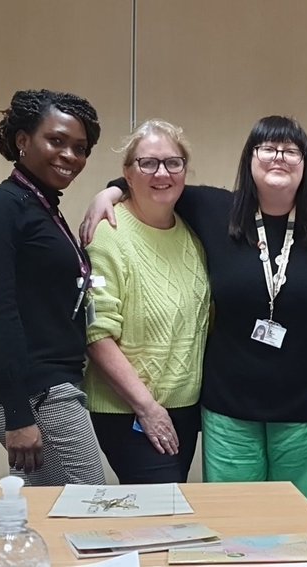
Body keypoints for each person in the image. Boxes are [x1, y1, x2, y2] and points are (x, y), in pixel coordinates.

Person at [82, 116, 307, 516]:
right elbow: (156, 183)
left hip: (305, 412)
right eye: (268, 148)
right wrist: (111, 191)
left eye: (291, 150)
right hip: (228, 411)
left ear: (305, 162)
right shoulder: (215, 209)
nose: (279, 157)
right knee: (233, 527)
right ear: (250, 158)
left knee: (299, 528)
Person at [0, 89, 106, 486]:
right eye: (56, 141)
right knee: (87, 501)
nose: (70, 156)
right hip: (33, 391)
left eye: (80, 148)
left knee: (48, 506)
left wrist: (112, 190)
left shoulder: (41, 206)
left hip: (49, 385)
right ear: (22, 141)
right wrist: (18, 414)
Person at [83, 119, 210, 484]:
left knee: (165, 515)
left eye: (173, 162)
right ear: (127, 173)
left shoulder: (191, 234)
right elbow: (96, 334)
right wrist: (147, 407)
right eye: (148, 163)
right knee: (160, 514)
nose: (162, 173)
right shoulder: (108, 234)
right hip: (131, 409)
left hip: (185, 407)